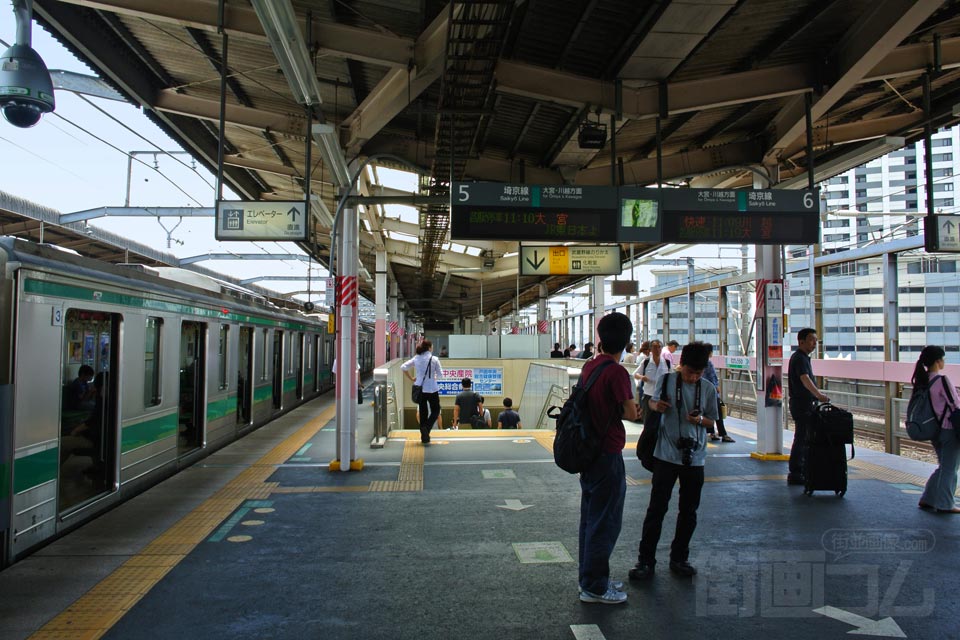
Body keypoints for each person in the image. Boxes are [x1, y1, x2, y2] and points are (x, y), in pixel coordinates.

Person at [630, 342, 718, 582]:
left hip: (695, 457)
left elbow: (712, 421)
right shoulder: (667, 380)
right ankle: (645, 560)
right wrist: (656, 405)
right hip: (665, 455)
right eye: (690, 372)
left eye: (698, 373)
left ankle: (680, 558)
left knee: (689, 511)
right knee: (656, 509)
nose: (693, 377)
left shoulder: (708, 388)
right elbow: (651, 403)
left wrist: (699, 420)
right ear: (682, 365)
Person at [576, 312, 637, 605]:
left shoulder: (590, 366)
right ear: (625, 341)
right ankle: (596, 587)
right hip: (608, 453)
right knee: (606, 522)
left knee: (590, 519)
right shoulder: (617, 372)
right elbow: (631, 412)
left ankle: (589, 579)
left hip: (588, 452)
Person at [915, 346, 960, 513]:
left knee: (944, 466)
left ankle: (927, 499)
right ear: (937, 361)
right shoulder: (941, 380)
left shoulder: (923, 380)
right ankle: (945, 504)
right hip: (949, 429)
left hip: (934, 430)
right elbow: (955, 404)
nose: (944, 362)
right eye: (943, 359)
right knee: (950, 468)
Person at [787, 328, 830, 485]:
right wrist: (819, 395)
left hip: (802, 403)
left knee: (803, 436)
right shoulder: (800, 358)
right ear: (801, 341)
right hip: (802, 404)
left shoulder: (801, 357)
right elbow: (805, 379)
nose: (814, 343)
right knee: (802, 437)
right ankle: (796, 471)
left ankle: (800, 470)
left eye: (816, 340)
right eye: (811, 340)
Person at [401, 340, 443, 444]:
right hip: (432, 389)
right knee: (436, 410)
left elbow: (403, 367)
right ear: (429, 347)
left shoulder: (417, 358)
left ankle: (425, 437)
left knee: (423, 413)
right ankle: (427, 428)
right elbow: (440, 374)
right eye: (432, 346)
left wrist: (411, 378)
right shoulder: (434, 359)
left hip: (420, 389)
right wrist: (434, 377)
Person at [633, 339, 672, 425]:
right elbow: (635, 374)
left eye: (659, 347)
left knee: (661, 422)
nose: (657, 349)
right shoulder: (646, 362)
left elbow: (671, 377)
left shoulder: (667, 363)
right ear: (650, 349)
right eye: (655, 347)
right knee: (647, 421)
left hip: (661, 396)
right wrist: (642, 377)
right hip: (648, 395)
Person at [703, 344, 734, 443]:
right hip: (712, 392)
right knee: (718, 414)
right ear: (710, 352)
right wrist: (716, 387)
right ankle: (723, 434)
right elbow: (712, 377)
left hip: (704, 392)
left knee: (708, 413)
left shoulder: (700, 362)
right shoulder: (708, 363)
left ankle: (712, 433)